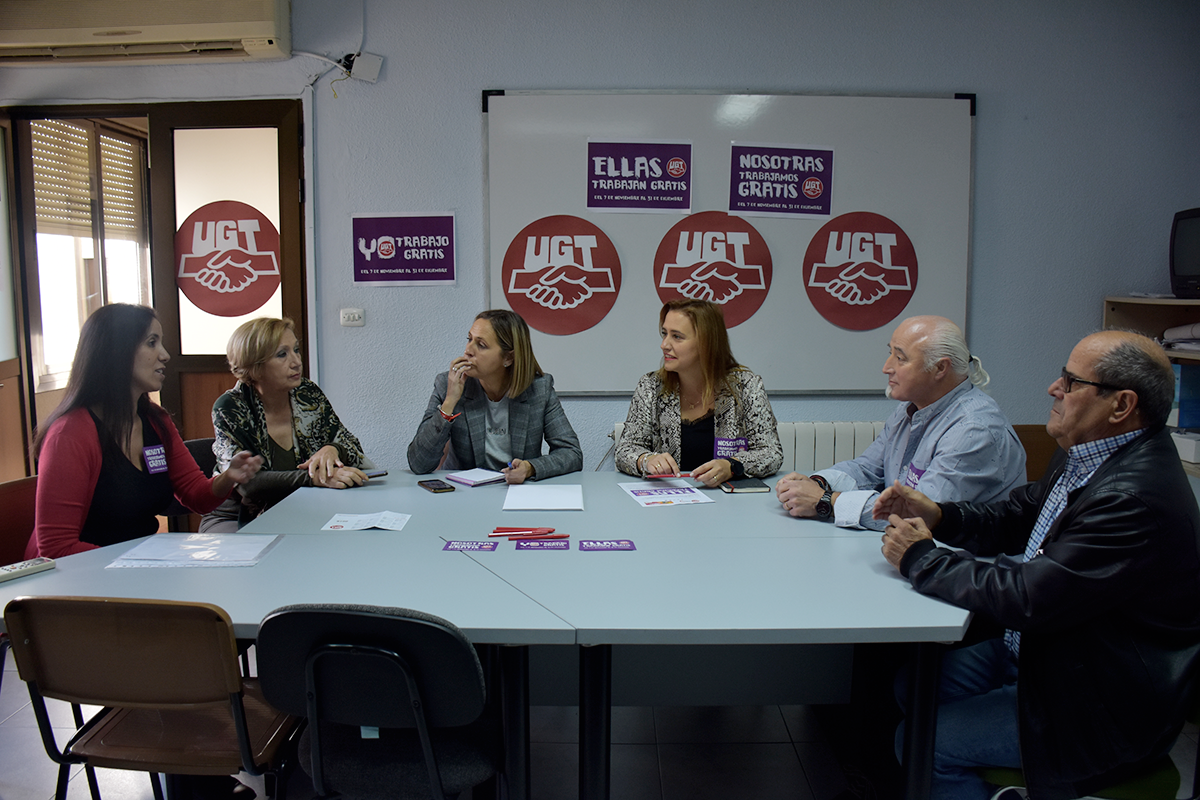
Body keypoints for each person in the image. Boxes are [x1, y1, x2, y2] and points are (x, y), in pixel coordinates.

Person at [878, 330, 1200, 800]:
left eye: (1070, 382)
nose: (1053, 389)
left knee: (921, 741)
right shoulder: (1089, 453)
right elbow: (1016, 515)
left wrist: (920, 558)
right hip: (1045, 656)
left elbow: (1029, 596)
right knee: (911, 687)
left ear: (1121, 405)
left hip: (1096, 702)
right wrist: (942, 516)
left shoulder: (1131, 500)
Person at [28, 304, 263, 559]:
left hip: (133, 569)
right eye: (152, 343)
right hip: (76, 579)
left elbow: (197, 497)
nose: (165, 355)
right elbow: (56, 548)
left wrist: (228, 477)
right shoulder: (69, 435)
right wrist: (148, 561)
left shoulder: (155, 420)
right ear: (117, 352)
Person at [775, 315, 1025, 530]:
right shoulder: (909, 409)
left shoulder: (973, 429)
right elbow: (867, 469)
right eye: (890, 353)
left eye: (901, 358)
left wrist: (825, 502)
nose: (886, 367)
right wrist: (817, 484)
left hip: (969, 567)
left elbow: (921, 515)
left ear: (940, 368)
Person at [203, 317, 368, 532]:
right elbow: (248, 483)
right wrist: (314, 478)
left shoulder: (307, 394)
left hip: (302, 507)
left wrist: (332, 449)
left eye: (296, 350)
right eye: (282, 354)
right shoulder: (230, 407)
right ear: (255, 365)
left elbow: (353, 448)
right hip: (238, 515)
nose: (296, 361)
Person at [615, 298, 783, 487]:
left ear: (706, 343)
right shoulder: (651, 386)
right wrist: (646, 460)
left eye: (677, 336)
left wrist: (732, 466)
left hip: (728, 502)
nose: (664, 345)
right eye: (664, 334)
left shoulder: (746, 386)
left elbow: (771, 453)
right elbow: (624, 450)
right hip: (670, 499)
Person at [407, 309, 582, 482]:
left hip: (516, 493)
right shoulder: (449, 384)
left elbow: (571, 453)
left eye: (481, 345)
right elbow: (419, 463)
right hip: (462, 494)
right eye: (469, 339)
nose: (468, 350)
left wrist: (530, 468)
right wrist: (449, 402)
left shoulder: (539, 389)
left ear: (508, 358)